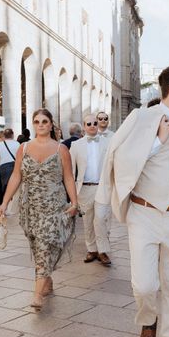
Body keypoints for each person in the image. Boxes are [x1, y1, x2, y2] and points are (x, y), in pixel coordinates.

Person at [97, 65, 169, 337]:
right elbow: (119, 159)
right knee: (144, 285)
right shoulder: (140, 118)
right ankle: (148, 321)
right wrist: (156, 143)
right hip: (144, 213)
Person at [0, 109, 78, 310]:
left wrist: (74, 202)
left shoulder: (61, 150)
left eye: (44, 121)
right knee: (37, 245)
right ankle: (47, 279)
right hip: (30, 207)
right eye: (37, 121)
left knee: (45, 244)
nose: (40, 124)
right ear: (33, 125)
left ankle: (37, 295)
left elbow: (68, 177)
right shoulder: (23, 148)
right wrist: (4, 202)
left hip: (54, 206)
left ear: (51, 125)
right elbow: (16, 176)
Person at [70, 114, 113, 266]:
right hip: (84, 188)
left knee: (101, 219)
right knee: (88, 220)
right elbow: (70, 169)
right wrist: (72, 193)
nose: (93, 125)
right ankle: (92, 249)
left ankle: (103, 251)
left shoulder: (108, 142)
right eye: (89, 123)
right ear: (84, 126)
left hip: (102, 187)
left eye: (95, 123)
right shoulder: (76, 145)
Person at [0, 128, 20, 206]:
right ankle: (13, 203)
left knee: (4, 185)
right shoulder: (17, 144)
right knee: (15, 185)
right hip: (15, 166)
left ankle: (4, 204)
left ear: (4, 135)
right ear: (13, 135)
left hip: (4, 167)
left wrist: (3, 160)